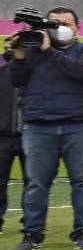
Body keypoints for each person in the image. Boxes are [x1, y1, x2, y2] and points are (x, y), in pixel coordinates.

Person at [6, 7, 83, 250]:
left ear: (77, 27)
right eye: (54, 22)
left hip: (80, 124)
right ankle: (32, 232)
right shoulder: (32, 51)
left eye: (66, 22)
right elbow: (16, 81)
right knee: (36, 183)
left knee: (82, 180)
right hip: (39, 125)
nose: (60, 26)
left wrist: (49, 50)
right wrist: (18, 54)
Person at [0, 49, 26, 236]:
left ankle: (31, 221)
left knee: (33, 182)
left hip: (31, 136)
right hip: (3, 137)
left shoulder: (33, 74)